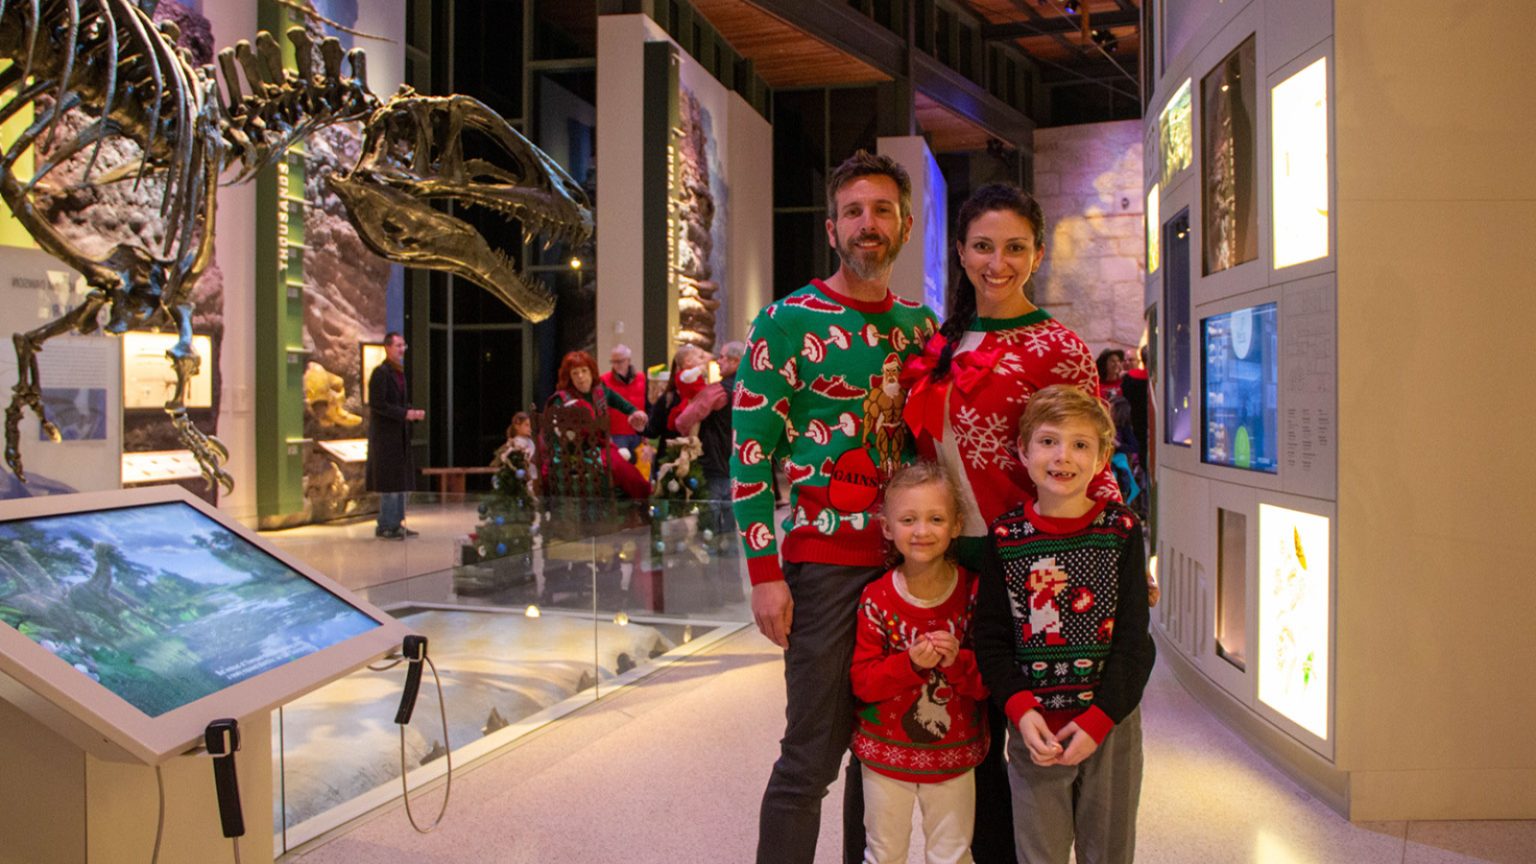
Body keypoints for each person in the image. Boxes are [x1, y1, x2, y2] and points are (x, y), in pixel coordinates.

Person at [899, 183, 1119, 861]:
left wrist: (1119, 551)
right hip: (943, 561)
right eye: (983, 246)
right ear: (960, 252)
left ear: (1038, 254)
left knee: (1021, 734)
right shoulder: (939, 341)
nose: (998, 262)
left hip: (1027, 566)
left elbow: (1091, 453)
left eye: (1015, 247)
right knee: (963, 738)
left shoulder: (1059, 345)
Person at [731, 150, 937, 864]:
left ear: (905, 226)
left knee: (880, 757)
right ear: (831, 228)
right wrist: (764, 572)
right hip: (823, 569)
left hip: (910, 571)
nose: (867, 224)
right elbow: (750, 455)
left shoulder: (921, 328)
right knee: (810, 759)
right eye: (853, 211)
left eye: (882, 210)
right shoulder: (785, 322)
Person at [974, 385, 1155, 864]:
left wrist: (1099, 721)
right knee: (1039, 853)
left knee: (1108, 852)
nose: (1063, 456)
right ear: (1024, 451)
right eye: (1049, 441)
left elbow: (1136, 644)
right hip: (1036, 729)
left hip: (1109, 726)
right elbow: (990, 640)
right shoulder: (1006, 537)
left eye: (1080, 444)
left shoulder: (1121, 531)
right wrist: (1021, 709)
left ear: (1101, 459)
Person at [850, 462, 988, 864]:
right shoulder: (876, 598)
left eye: (936, 519)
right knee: (883, 852)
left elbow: (988, 680)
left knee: (953, 853)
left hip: (955, 756)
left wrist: (957, 661)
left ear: (956, 525)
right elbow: (863, 682)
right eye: (908, 520)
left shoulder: (972, 592)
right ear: (888, 528)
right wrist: (908, 663)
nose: (922, 531)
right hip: (884, 755)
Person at [545, 350, 650, 500]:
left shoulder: (600, 391)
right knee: (620, 469)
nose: (580, 377)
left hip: (601, 447)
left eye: (584, 371)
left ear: (591, 372)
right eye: (575, 373)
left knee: (631, 474)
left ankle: (639, 503)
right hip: (573, 453)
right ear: (569, 377)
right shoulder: (561, 399)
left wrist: (634, 413)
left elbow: (624, 405)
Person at [677, 340, 745, 546]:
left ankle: (714, 575)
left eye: (722, 357)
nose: (718, 362)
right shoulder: (752, 389)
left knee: (711, 529)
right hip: (739, 466)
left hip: (714, 463)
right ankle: (732, 574)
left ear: (735, 361)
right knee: (732, 529)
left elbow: (683, 421)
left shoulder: (717, 391)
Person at [366, 331, 424, 540]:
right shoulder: (380, 373)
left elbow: (399, 403)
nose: (401, 350)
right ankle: (386, 524)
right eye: (398, 346)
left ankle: (397, 522)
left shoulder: (399, 373)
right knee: (390, 484)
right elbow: (378, 404)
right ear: (388, 347)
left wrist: (412, 414)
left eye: (403, 346)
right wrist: (404, 414)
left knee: (401, 482)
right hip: (386, 438)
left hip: (400, 436)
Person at [643, 343, 709, 475]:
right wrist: (641, 428)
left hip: (698, 460)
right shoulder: (668, 399)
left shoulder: (705, 396)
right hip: (670, 458)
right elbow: (653, 430)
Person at [602, 343, 648, 460]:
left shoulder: (641, 378)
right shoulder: (604, 380)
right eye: (613, 361)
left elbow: (647, 404)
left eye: (620, 361)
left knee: (641, 468)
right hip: (616, 433)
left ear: (628, 360)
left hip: (638, 431)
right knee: (621, 467)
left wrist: (646, 432)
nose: (616, 365)